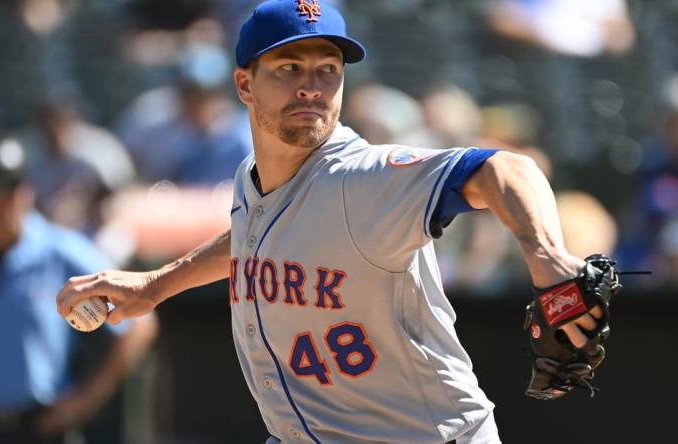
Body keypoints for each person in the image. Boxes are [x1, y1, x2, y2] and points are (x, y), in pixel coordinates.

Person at [57, 1, 605, 442]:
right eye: (289, 68)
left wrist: (547, 256)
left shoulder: (362, 180)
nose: (311, 87)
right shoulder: (256, 178)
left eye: (327, 71)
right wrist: (154, 286)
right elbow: (253, 239)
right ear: (245, 85)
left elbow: (503, 168)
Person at [0, 137, 158, 444]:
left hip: (40, 428)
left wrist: (87, 399)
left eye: (16, 185)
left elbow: (139, 325)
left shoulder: (64, 253)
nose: (9, 198)